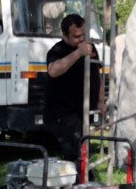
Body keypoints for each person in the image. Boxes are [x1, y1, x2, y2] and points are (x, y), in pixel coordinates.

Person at [43, 13, 106, 161]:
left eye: (84, 34)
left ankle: (81, 172)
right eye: (77, 36)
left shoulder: (90, 47)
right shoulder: (57, 50)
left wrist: (101, 100)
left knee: (82, 148)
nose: (82, 39)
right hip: (63, 113)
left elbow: (97, 74)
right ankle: (78, 172)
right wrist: (78, 53)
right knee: (76, 150)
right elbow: (53, 71)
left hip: (83, 110)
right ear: (65, 35)